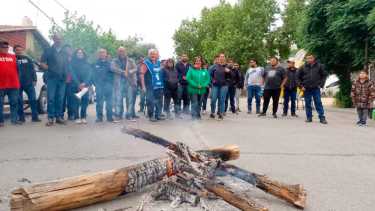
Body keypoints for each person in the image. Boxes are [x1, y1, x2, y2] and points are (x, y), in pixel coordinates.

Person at [40, 34, 69, 126]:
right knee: (51, 98)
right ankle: (50, 118)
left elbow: (67, 66)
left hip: (62, 79)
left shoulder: (65, 52)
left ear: (62, 40)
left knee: (60, 99)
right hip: (52, 78)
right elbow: (42, 63)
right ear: (53, 39)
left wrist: (67, 77)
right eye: (56, 39)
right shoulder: (48, 51)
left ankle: (59, 117)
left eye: (60, 39)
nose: (58, 40)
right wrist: (50, 69)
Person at [298, 54, 328, 124]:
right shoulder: (302, 67)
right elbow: (297, 77)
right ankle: (309, 117)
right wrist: (301, 86)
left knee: (318, 102)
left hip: (316, 88)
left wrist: (321, 85)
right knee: (307, 103)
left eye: (310, 58)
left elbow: (324, 75)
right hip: (306, 88)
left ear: (313, 58)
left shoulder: (319, 66)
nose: (309, 59)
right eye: (307, 58)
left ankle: (322, 118)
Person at [14, 45, 41, 122]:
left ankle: (35, 117)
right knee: (19, 101)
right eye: (17, 50)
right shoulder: (13, 59)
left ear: (22, 50)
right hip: (17, 83)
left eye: (20, 50)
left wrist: (35, 79)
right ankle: (21, 118)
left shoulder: (27, 58)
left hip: (29, 83)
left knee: (33, 99)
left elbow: (32, 70)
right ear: (14, 51)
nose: (18, 51)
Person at [0, 39, 21, 126]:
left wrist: (18, 80)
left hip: (13, 84)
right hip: (1, 85)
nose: (5, 48)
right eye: (3, 47)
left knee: (14, 103)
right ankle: (1, 121)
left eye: (7, 47)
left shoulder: (13, 57)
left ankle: (14, 120)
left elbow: (18, 70)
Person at [140, 49, 164, 122]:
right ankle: (151, 116)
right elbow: (141, 75)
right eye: (151, 54)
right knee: (151, 101)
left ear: (157, 55)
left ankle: (158, 115)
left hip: (159, 86)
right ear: (148, 55)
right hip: (150, 86)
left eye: (154, 54)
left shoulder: (159, 63)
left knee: (159, 101)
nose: (153, 55)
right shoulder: (145, 63)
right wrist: (143, 86)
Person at [93, 48, 115, 123]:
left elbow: (113, 74)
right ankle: (99, 117)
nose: (102, 54)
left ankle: (110, 117)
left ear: (106, 54)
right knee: (99, 102)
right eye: (100, 53)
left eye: (103, 52)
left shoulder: (110, 63)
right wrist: (95, 84)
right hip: (99, 86)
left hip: (108, 85)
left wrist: (111, 83)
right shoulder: (95, 63)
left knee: (109, 102)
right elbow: (93, 75)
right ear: (98, 54)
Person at [71, 48, 92, 124]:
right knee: (75, 102)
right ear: (76, 54)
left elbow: (90, 74)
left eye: (81, 53)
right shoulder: (72, 63)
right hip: (75, 85)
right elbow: (72, 73)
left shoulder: (87, 63)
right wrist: (78, 83)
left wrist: (84, 83)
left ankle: (83, 117)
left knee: (85, 101)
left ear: (84, 54)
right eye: (78, 53)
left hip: (85, 85)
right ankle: (76, 117)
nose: (80, 54)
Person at [210, 53, 231, 120]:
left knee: (222, 100)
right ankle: (212, 112)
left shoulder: (227, 66)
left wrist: (229, 72)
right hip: (215, 86)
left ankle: (221, 114)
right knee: (213, 100)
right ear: (218, 58)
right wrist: (212, 81)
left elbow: (232, 76)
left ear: (224, 58)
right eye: (220, 57)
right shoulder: (214, 66)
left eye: (223, 57)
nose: (222, 58)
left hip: (224, 86)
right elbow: (209, 75)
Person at [111, 47, 128, 121]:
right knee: (119, 99)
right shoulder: (114, 60)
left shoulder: (129, 60)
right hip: (118, 82)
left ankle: (129, 114)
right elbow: (113, 68)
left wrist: (129, 72)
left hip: (128, 82)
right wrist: (123, 72)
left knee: (129, 99)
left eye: (123, 51)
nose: (121, 52)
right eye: (120, 51)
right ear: (118, 52)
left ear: (125, 52)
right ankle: (119, 114)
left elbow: (134, 68)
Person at [124, 55, 138, 121]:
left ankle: (132, 113)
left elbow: (135, 68)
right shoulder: (118, 61)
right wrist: (124, 72)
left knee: (133, 99)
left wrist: (130, 71)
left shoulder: (131, 61)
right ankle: (129, 115)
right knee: (129, 100)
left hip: (133, 83)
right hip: (126, 83)